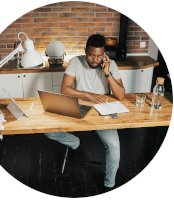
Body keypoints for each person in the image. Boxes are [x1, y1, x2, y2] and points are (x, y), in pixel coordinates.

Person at [44, 34, 125, 191]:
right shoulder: (76, 62)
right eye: (91, 56)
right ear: (85, 51)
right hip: (78, 106)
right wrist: (88, 94)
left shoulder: (111, 64)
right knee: (49, 131)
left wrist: (107, 73)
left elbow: (120, 95)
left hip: (102, 111)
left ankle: (109, 184)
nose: (95, 60)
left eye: (99, 56)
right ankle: (74, 142)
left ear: (104, 54)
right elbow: (65, 89)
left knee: (114, 145)